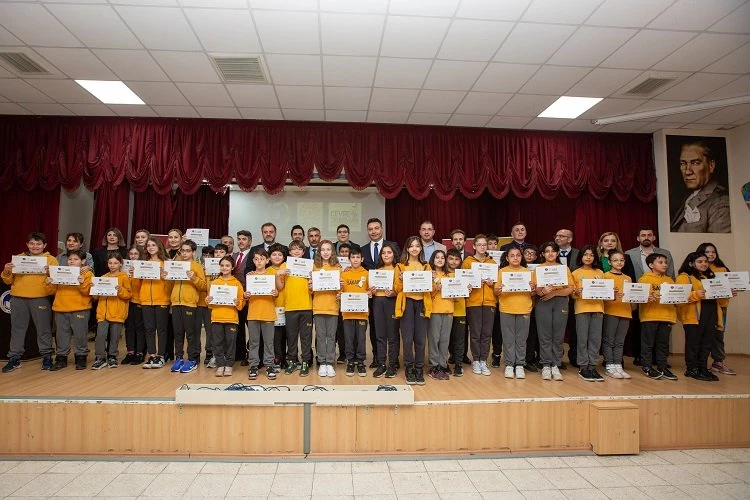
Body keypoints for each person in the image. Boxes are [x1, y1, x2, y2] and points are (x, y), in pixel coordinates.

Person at [2, 232, 58, 373]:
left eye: (38, 244)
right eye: (32, 243)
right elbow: (8, 281)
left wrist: (50, 273)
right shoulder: (18, 258)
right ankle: (15, 358)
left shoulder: (51, 260)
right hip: (18, 298)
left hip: (40, 298)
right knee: (17, 329)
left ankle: (46, 357)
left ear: (44, 245)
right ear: (27, 244)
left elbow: (55, 284)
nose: (35, 246)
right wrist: (7, 271)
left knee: (43, 329)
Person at [625, 227, 675, 366]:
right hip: (639, 294)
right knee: (640, 329)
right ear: (638, 238)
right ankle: (641, 357)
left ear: (654, 237)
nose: (646, 237)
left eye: (649, 235)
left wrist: (671, 293)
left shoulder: (665, 253)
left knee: (661, 336)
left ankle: (660, 360)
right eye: (643, 235)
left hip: (662, 299)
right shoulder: (629, 253)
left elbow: (671, 273)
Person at [677, 252, 724, 382]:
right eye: (700, 261)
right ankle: (692, 369)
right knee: (694, 343)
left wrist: (726, 293)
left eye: (705, 261)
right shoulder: (684, 277)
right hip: (694, 315)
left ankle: (703, 368)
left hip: (711, 313)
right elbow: (679, 298)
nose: (704, 264)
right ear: (691, 263)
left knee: (707, 342)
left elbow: (719, 299)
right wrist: (695, 294)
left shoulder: (708, 277)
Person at [44, 249, 93, 371]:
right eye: (70, 259)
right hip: (61, 307)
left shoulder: (88, 274)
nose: (72, 261)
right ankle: (61, 358)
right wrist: (49, 282)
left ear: (83, 261)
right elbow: (51, 291)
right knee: (61, 334)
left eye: (76, 259)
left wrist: (81, 283)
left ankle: (81, 357)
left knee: (80, 334)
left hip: (80, 308)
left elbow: (88, 292)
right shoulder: (60, 272)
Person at [361, 218, 400, 366]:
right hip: (373, 297)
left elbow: (399, 265)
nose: (374, 231)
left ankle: (394, 360)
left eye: (376, 228)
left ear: (382, 229)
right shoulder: (363, 249)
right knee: (375, 328)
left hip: (391, 297)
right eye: (370, 229)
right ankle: (378, 358)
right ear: (367, 231)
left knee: (392, 330)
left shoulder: (392, 245)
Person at [670, 139, 731, 233]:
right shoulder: (689, 196)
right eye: (683, 163)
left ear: (711, 165)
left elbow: (719, 239)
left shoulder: (720, 202)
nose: (687, 171)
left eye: (695, 163)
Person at [394, 236, 432, 385]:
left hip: (422, 303)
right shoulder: (400, 266)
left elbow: (431, 288)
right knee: (408, 338)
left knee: (420, 339)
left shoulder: (426, 266)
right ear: (407, 248)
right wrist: (401, 279)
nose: (414, 248)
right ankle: (409, 368)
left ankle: (419, 368)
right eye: (412, 246)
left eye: (417, 246)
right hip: (407, 304)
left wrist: (433, 279)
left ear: (421, 248)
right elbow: (396, 289)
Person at [534, 242, 574, 382]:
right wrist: (543, 291)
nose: (550, 254)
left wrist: (554, 293)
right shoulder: (539, 269)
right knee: (544, 335)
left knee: (558, 335)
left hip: (560, 301)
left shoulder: (564, 269)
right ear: (543, 254)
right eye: (547, 251)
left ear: (557, 253)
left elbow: (570, 288)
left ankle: (556, 364)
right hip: (543, 302)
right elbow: (536, 290)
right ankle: (546, 364)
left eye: (553, 251)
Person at [495, 247, 536, 379]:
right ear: (507, 258)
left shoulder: (528, 272)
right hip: (506, 308)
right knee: (508, 339)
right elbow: (496, 291)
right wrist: (498, 290)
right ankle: (509, 364)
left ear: (521, 257)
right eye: (512, 255)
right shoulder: (502, 272)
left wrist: (533, 289)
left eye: (518, 255)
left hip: (524, 308)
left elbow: (533, 293)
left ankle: (519, 364)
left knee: (521, 339)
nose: (515, 258)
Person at [696, 242, 736, 375]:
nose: (711, 254)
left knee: (719, 333)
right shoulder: (698, 269)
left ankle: (718, 362)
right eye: (707, 252)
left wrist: (732, 291)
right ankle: (700, 362)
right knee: (702, 334)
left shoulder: (722, 269)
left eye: (713, 252)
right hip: (704, 306)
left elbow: (731, 286)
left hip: (721, 305)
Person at [169, 239, 207, 374]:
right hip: (176, 303)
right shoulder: (175, 265)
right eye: (182, 251)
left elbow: (204, 286)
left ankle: (192, 359)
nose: (185, 253)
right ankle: (179, 358)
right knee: (178, 333)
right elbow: (170, 285)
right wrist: (166, 276)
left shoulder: (197, 266)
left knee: (191, 334)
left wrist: (194, 278)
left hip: (190, 303)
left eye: (188, 251)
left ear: (193, 252)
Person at [638, 253, 678, 380]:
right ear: (651, 265)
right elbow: (639, 297)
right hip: (650, 316)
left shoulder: (670, 280)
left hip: (667, 316)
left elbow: (676, 297)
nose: (664, 265)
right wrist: (648, 296)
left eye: (665, 262)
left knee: (663, 344)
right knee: (648, 343)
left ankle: (662, 366)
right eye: (660, 262)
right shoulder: (644, 279)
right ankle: (647, 366)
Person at [135, 237, 172, 369]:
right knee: (149, 329)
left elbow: (170, 284)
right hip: (146, 300)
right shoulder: (143, 263)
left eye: (153, 245)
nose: (150, 247)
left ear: (159, 247)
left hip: (162, 299)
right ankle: (151, 355)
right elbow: (138, 284)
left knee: (161, 329)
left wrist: (165, 277)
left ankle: (161, 356)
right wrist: (134, 274)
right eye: (148, 245)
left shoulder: (166, 263)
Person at [462, 234, 496, 376]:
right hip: (473, 302)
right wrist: (473, 283)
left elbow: (498, 284)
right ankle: (476, 359)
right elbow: (463, 281)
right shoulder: (468, 262)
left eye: (484, 244)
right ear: (474, 246)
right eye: (479, 244)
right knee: (475, 333)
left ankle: (483, 360)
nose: (482, 247)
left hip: (489, 302)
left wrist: (491, 283)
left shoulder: (492, 263)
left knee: (487, 333)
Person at [206, 255, 245, 376]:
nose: (224, 268)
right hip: (216, 318)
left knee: (230, 343)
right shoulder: (215, 283)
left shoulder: (237, 283)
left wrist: (238, 303)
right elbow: (210, 304)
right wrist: (208, 300)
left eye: (227, 265)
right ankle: (220, 364)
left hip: (231, 319)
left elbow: (241, 303)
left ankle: (229, 365)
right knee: (217, 343)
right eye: (222, 265)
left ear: (232, 267)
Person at [91, 252, 132, 370]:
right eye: (110, 263)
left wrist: (120, 290)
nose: (112, 265)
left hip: (117, 312)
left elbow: (128, 294)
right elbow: (95, 297)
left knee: (114, 336)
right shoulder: (103, 277)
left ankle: (112, 356)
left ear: (120, 264)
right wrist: (94, 288)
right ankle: (100, 357)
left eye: (115, 263)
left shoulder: (124, 277)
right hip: (103, 312)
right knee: (100, 336)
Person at [571, 245, 605, 382]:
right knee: (582, 339)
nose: (588, 257)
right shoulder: (576, 273)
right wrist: (576, 292)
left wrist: (610, 292)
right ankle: (583, 366)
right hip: (582, 309)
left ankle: (592, 366)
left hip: (598, 308)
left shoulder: (600, 273)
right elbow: (573, 294)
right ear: (581, 257)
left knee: (595, 340)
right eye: (585, 254)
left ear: (595, 257)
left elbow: (605, 291)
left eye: (591, 255)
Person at [280, 240, 313, 377]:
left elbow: (313, 288)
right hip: (290, 307)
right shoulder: (284, 265)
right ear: (290, 252)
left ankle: (305, 361)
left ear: (303, 252)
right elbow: (280, 287)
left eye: (299, 249)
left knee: (306, 337)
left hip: (306, 306)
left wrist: (312, 285)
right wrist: (279, 274)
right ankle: (292, 361)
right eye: (294, 249)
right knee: (291, 337)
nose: (296, 251)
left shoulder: (310, 265)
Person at [245, 248, 279, 380]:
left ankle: (269, 365)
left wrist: (275, 293)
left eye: (262, 259)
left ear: (267, 260)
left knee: (269, 342)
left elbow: (276, 293)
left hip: (268, 313)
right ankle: (253, 366)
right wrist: (246, 295)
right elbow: (247, 294)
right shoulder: (250, 276)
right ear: (253, 261)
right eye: (256, 259)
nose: (259, 261)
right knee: (254, 342)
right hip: (253, 313)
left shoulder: (271, 276)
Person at [310, 240, 341, 377]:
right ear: (319, 252)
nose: (326, 252)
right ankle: (322, 362)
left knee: (332, 336)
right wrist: (310, 286)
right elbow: (310, 289)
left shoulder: (337, 268)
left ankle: (330, 362)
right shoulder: (314, 267)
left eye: (328, 249)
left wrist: (341, 287)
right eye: (323, 250)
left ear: (332, 251)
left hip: (332, 307)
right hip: (318, 307)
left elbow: (340, 290)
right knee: (321, 336)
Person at [602, 250, 632, 379]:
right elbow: (601, 296)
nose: (619, 262)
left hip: (625, 312)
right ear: (609, 262)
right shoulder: (605, 276)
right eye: (615, 260)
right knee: (609, 340)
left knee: (620, 341)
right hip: (610, 311)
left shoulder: (628, 278)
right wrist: (612, 295)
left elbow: (632, 296)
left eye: (621, 260)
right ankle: (609, 365)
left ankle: (618, 365)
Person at [371, 242, 400, 378]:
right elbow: (371, 288)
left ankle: (392, 364)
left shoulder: (398, 268)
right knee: (380, 334)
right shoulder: (377, 270)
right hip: (378, 302)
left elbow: (401, 288)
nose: (386, 255)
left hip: (392, 302)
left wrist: (394, 293)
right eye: (383, 253)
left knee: (393, 335)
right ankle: (382, 363)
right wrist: (371, 290)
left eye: (389, 252)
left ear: (394, 254)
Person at [341, 247, 370, 377]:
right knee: (349, 338)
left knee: (361, 338)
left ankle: (361, 362)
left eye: (358, 257)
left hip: (362, 313)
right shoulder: (344, 274)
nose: (355, 259)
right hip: (347, 313)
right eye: (353, 257)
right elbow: (340, 290)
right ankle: (350, 361)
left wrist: (370, 292)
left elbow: (370, 290)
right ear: (349, 259)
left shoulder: (367, 274)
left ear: (362, 259)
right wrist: (339, 293)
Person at [428, 249, 452, 380]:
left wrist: (465, 289)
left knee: (445, 340)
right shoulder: (429, 274)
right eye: (437, 257)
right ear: (433, 259)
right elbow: (426, 293)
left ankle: (443, 365)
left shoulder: (450, 275)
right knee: (434, 339)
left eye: (442, 257)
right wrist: (435, 288)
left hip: (448, 310)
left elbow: (456, 294)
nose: (440, 260)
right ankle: (433, 366)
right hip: (434, 310)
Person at [123, 245, 146, 366]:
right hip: (127, 301)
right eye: (131, 254)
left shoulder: (143, 267)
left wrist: (137, 273)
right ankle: (130, 352)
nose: (133, 256)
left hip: (139, 301)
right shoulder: (124, 268)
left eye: (135, 254)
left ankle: (140, 352)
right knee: (129, 327)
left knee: (139, 327)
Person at [232, 230, 252, 364]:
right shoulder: (232, 256)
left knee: (252, 328)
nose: (241, 241)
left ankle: (251, 354)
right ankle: (240, 354)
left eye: (244, 239)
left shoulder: (254, 256)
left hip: (250, 298)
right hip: (236, 298)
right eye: (239, 239)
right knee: (238, 327)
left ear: (250, 241)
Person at [446, 248, 466, 377]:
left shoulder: (463, 275)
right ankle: (446, 362)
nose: (454, 262)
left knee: (459, 339)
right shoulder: (442, 274)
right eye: (451, 259)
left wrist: (469, 288)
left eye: (457, 259)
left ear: (460, 261)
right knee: (446, 339)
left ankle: (459, 365)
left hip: (460, 311)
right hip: (445, 311)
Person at [523, 245, 541, 372]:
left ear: (536, 257)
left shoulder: (540, 269)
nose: (529, 255)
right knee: (527, 335)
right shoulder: (518, 270)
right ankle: (527, 359)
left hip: (538, 305)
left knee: (536, 334)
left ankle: (539, 358)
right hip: (523, 305)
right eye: (527, 253)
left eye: (532, 253)